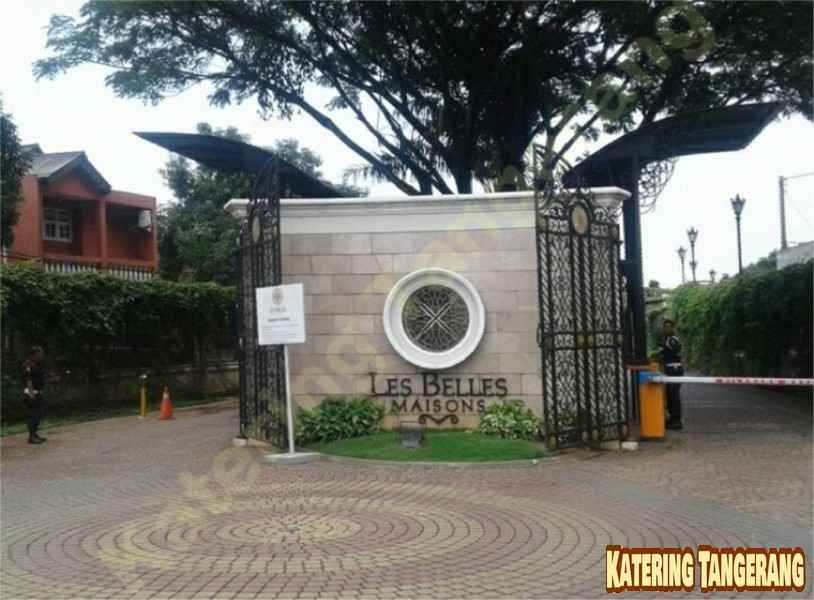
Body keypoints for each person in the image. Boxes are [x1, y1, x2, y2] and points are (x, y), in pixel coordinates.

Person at [661, 319, 684, 430]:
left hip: (675, 369)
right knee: (670, 394)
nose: (666, 329)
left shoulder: (672, 340)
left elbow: (677, 353)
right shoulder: (668, 339)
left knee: (673, 395)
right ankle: (672, 419)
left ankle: (676, 421)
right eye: (665, 327)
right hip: (670, 369)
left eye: (669, 326)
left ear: (673, 328)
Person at [22, 345, 47, 444]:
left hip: (37, 392)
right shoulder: (27, 364)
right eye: (40, 353)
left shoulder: (35, 364)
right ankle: (31, 437)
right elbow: (28, 380)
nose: (41, 355)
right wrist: (32, 394)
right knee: (33, 415)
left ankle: (34, 434)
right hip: (31, 393)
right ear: (34, 354)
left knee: (38, 415)